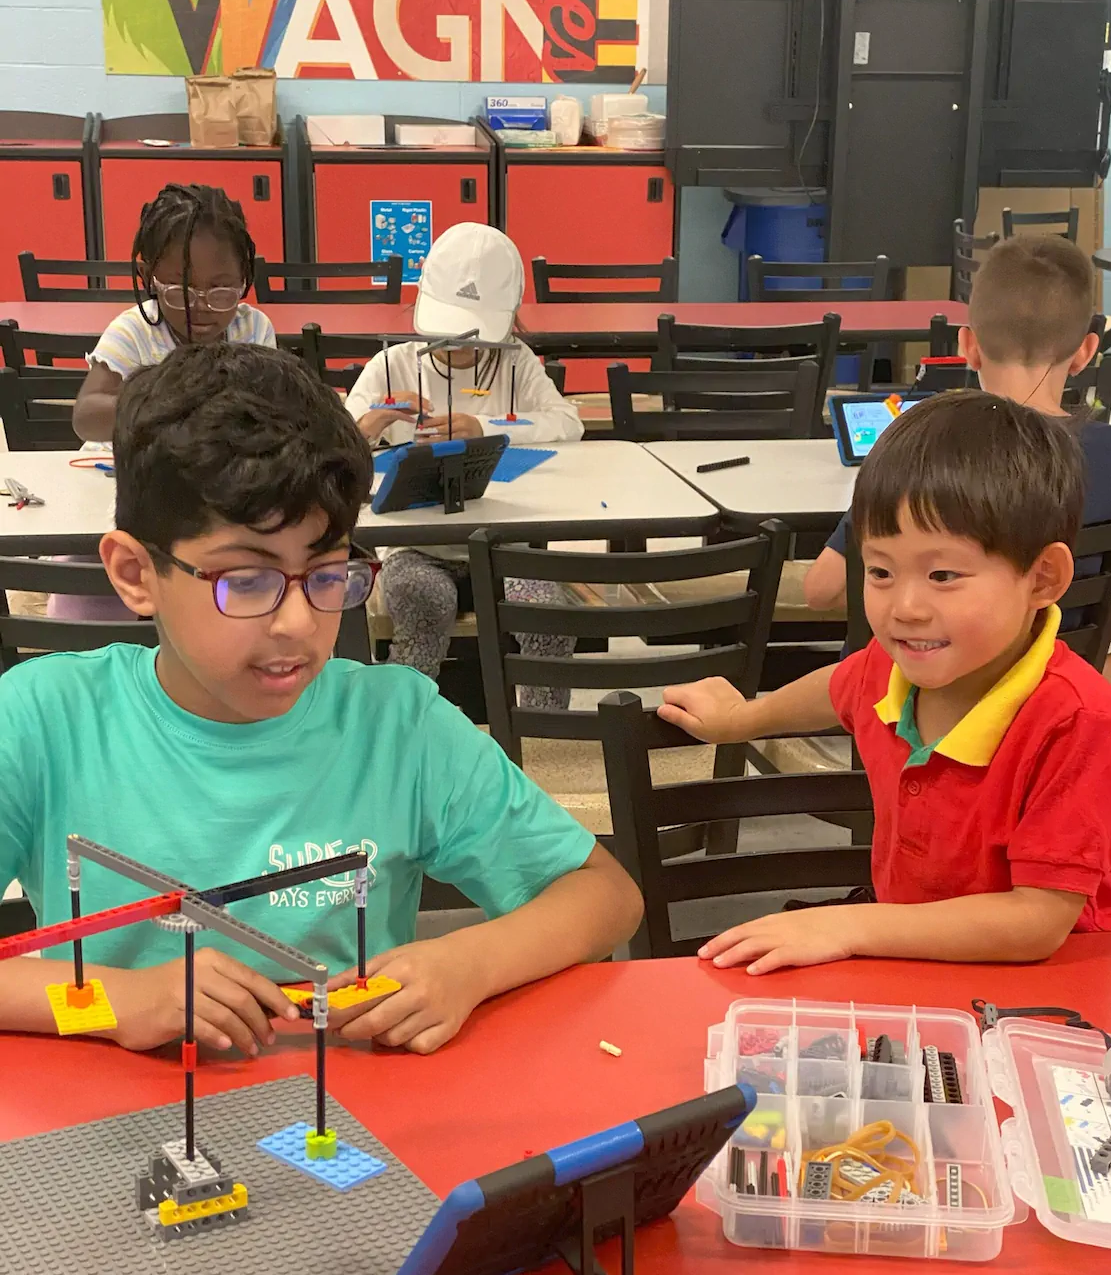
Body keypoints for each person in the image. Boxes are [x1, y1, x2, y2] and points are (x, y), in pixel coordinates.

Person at [0, 344, 641, 1053]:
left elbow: (605, 897)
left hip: (349, 1123)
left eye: (329, 573)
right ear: (134, 572)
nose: (300, 625)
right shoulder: (42, 721)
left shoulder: (398, 726)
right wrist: (111, 1002)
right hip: (107, 1137)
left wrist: (468, 963)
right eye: (247, 580)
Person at [659, 390, 1111, 976]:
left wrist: (850, 925)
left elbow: (1037, 921)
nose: (905, 607)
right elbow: (841, 684)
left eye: (943, 574)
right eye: (880, 571)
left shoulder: (1078, 721)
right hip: (912, 959)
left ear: (1043, 578)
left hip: (1050, 992)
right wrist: (743, 717)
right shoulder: (895, 671)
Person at [803, 236, 1111, 668]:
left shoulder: (926, 444)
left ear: (967, 346)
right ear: (1086, 352)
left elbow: (821, 590)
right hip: (1051, 694)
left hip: (915, 694)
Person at [345, 223, 584, 706]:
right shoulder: (393, 364)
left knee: (548, 619)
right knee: (423, 606)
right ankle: (407, 733)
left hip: (502, 543)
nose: (456, 344)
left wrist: (489, 425)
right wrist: (369, 424)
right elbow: (332, 442)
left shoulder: (516, 364)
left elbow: (568, 421)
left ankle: (543, 735)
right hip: (415, 548)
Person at [72, 182, 275, 444]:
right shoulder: (134, 333)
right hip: (130, 478)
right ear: (149, 277)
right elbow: (85, 417)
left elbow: (274, 411)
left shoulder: (252, 329)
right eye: (181, 291)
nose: (201, 307)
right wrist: (168, 402)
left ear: (244, 278)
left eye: (221, 290)